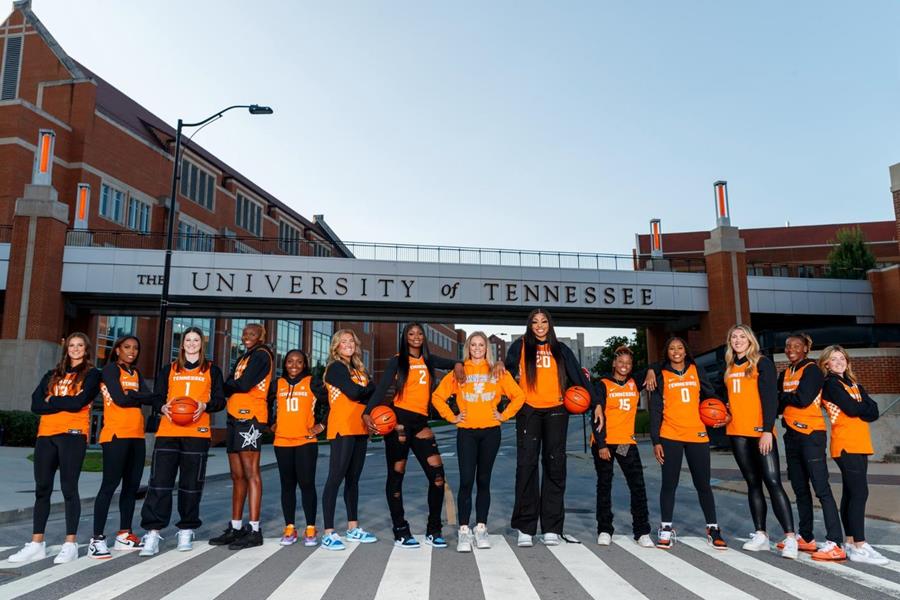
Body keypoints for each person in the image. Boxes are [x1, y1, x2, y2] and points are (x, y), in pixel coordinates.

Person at [364, 322, 465, 548]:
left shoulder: (428, 359)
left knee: (438, 478)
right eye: (411, 333)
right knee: (396, 477)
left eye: (420, 333)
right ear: (405, 337)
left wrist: (458, 363)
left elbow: (453, 362)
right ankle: (401, 530)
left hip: (420, 423)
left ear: (424, 337)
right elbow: (381, 389)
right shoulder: (397, 360)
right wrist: (367, 412)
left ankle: (433, 530)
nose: (416, 337)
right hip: (398, 423)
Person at [503, 309, 598, 547]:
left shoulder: (561, 349)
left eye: (544, 321)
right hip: (529, 411)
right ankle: (526, 527)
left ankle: (552, 528)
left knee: (555, 466)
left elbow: (579, 379)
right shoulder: (520, 346)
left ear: (550, 324)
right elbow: (506, 375)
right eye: (534, 321)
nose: (539, 325)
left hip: (557, 410)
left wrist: (596, 403)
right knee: (526, 466)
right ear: (529, 325)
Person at [9, 333, 101, 565]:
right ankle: (37, 543)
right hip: (46, 435)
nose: (75, 349)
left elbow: (79, 403)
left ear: (86, 349)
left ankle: (70, 544)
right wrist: (59, 402)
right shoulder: (52, 375)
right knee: (42, 489)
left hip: (72, 435)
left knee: (69, 489)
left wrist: (52, 401)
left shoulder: (92, 374)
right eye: (72, 345)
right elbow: (35, 404)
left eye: (80, 345)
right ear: (66, 348)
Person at [432, 331, 525, 552]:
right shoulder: (460, 371)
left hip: (491, 432)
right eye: (473, 345)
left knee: (484, 481)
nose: (476, 348)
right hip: (466, 432)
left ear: (487, 348)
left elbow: (519, 396)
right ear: (468, 348)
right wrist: (451, 416)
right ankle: (464, 530)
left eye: (480, 345)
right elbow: (437, 396)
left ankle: (481, 528)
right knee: (466, 481)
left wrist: (504, 414)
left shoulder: (497, 371)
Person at [138, 326, 225, 556]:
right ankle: (153, 532)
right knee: (159, 483)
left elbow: (219, 400)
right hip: (168, 431)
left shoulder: (211, 371)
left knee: (191, 485)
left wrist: (205, 405)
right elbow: (157, 397)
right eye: (188, 339)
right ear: (182, 343)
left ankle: (186, 529)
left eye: (196, 340)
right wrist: (162, 407)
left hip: (197, 434)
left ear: (201, 344)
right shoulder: (169, 369)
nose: (192, 343)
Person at [722, 325, 797, 558]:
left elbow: (770, 399)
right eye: (733, 337)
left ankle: (790, 538)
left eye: (742, 336)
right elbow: (730, 400)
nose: (737, 340)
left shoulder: (761, 363)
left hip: (760, 432)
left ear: (750, 340)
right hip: (737, 432)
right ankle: (761, 535)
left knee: (773, 481)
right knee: (753, 482)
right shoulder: (730, 366)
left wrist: (767, 430)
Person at [650, 336, 726, 550]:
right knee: (669, 484)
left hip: (697, 435)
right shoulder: (660, 375)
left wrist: (723, 414)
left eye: (680, 348)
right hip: (670, 434)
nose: (676, 351)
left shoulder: (696, 370)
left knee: (703, 484)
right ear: (667, 352)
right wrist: (656, 440)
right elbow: (655, 410)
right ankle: (666, 527)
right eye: (672, 348)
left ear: (685, 351)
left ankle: (713, 528)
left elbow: (710, 397)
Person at [776, 332, 845, 561]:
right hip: (792, 435)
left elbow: (803, 399)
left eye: (796, 345)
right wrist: (787, 396)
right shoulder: (785, 372)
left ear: (806, 349)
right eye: (788, 346)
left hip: (811, 435)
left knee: (821, 489)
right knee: (799, 489)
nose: (791, 348)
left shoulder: (813, 370)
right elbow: (778, 401)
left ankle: (835, 542)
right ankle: (806, 537)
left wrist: (784, 396)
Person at [819, 345, 887, 566]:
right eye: (833, 359)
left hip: (861, 443)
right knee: (860, 493)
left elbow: (873, 410)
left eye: (842, 358)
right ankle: (859, 544)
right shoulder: (830, 384)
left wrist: (861, 407)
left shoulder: (855, 384)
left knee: (851, 492)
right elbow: (850, 409)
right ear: (826, 364)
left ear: (847, 362)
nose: (838, 362)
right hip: (846, 444)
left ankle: (850, 541)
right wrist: (861, 407)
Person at [210, 323, 274, 550]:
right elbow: (232, 383)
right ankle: (236, 527)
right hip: (234, 417)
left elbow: (243, 384)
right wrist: (227, 386)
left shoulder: (262, 355)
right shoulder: (244, 357)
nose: (248, 337)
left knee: (251, 473)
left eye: (253, 334)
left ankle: (254, 530)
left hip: (250, 417)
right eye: (245, 333)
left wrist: (224, 386)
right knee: (237, 476)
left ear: (261, 336)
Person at [89, 335, 155, 559]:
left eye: (136, 348)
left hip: (137, 435)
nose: (132, 351)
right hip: (116, 435)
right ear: (117, 350)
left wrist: (135, 395)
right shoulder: (109, 370)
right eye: (127, 347)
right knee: (109, 485)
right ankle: (96, 539)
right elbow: (119, 399)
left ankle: (124, 534)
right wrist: (139, 397)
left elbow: (150, 397)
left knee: (131, 487)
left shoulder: (135, 374)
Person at [321, 329, 378, 550]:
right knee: (335, 478)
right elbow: (355, 393)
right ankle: (328, 532)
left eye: (351, 341)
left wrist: (367, 390)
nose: (348, 344)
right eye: (343, 341)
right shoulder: (335, 368)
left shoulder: (358, 369)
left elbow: (372, 391)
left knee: (353, 481)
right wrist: (368, 389)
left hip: (360, 429)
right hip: (342, 428)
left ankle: (353, 528)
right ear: (336, 346)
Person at [592, 346, 653, 548]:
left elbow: (661, 365)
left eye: (628, 363)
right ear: (614, 364)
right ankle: (604, 529)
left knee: (637, 486)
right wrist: (601, 444)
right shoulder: (603, 384)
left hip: (625, 442)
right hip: (606, 442)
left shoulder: (635, 383)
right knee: (605, 485)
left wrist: (651, 369)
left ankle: (642, 531)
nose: (624, 365)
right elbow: (597, 414)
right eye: (621, 362)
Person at [272, 349, 327, 546]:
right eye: (290, 361)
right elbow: (263, 403)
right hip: (282, 441)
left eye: (299, 362)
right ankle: (289, 527)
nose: (294, 365)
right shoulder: (277, 384)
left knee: (306, 484)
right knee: (287, 486)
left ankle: (310, 528)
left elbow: (332, 402)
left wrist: (322, 424)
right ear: (284, 364)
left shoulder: (312, 382)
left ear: (305, 364)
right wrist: (270, 423)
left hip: (305, 442)